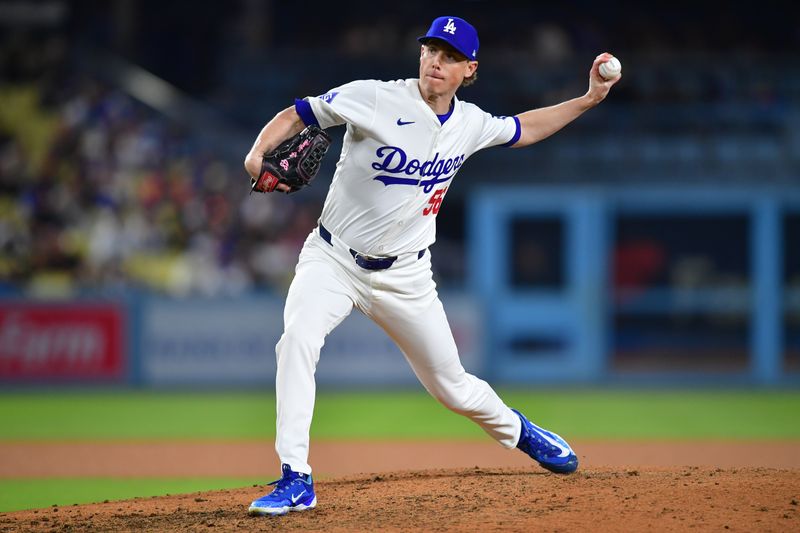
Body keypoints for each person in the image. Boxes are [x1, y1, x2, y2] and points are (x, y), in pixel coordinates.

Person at [244, 15, 621, 516]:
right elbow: (300, 113)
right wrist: (256, 156)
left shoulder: (469, 124)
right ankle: (296, 477)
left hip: (406, 276)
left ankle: (523, 432)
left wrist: (589, 99)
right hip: (332, 259)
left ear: (469, 69)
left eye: (448, 57)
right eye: (429, 51)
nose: (435, 62)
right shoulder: (375, 97)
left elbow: (525, 128)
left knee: (452, 388)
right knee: (296, 341)